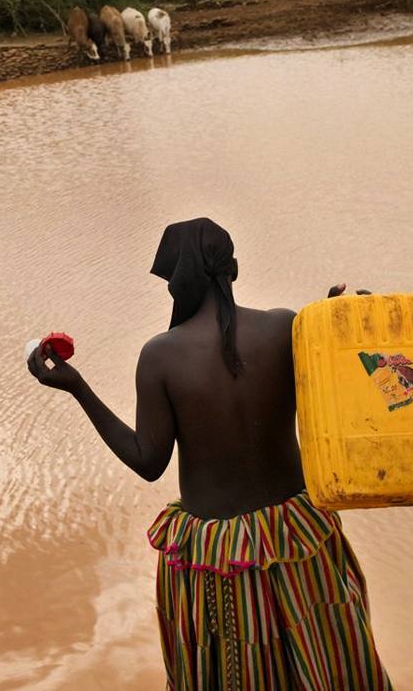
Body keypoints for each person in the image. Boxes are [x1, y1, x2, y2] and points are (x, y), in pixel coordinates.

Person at [26, 218, 393, 690]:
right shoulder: (286, 326)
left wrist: (78, 388)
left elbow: (147, 461)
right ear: (232, 270)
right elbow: (340, 401)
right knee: (328, 665)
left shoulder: (161, 355)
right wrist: (332, 326)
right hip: (297, 541)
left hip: (218, 559)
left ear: (178, 282)